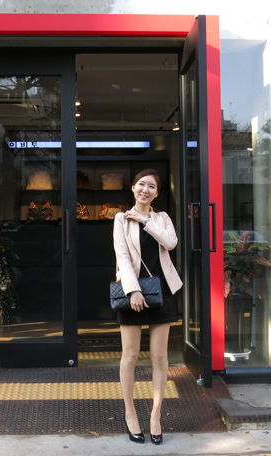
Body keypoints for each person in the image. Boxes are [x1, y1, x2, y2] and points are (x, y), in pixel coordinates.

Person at [113, 169, 183, 445]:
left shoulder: (162, 218)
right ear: (133, 188)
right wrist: (133, 291)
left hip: (162, 291)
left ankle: (155, 416)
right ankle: (130, 414)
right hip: (133, 292)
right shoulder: (121, 218)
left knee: (159, 357)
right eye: (141, 184)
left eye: (151, 186)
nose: (145, 189)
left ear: (156, 193)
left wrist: (145, 220)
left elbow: (171, 243)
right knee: (130, 356)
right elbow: (122, 256)